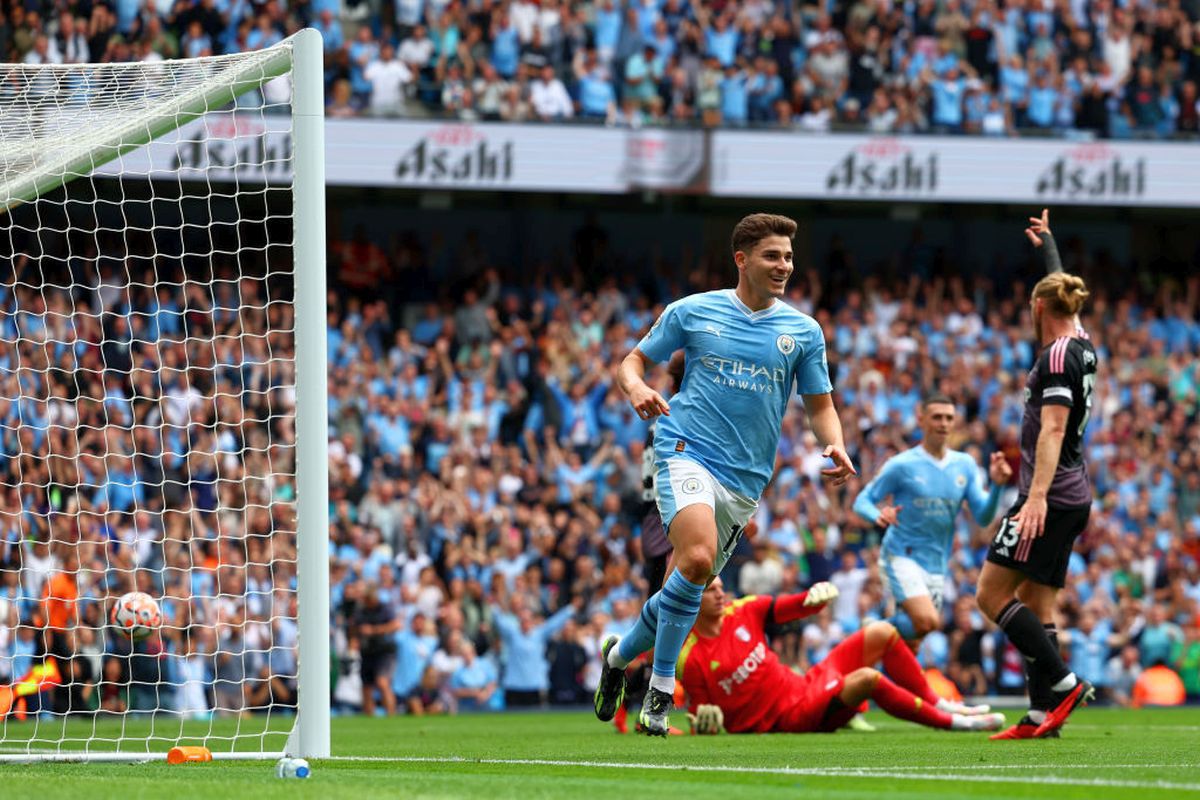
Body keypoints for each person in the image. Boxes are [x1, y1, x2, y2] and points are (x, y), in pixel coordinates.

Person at [594, 213, 856, 736]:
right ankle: (660, 692)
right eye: (772, 256)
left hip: (745, 480)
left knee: (680, 589)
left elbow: (820, 404)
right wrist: (638, 389)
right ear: (742, 259)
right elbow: (631, 362)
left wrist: (836, 442)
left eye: (788, 257)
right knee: (694, 561)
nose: (784, 265)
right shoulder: (693, 311)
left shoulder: (803, 331)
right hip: (684, 448)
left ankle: (618, 657)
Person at [976, 210, 1098, 740]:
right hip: (1075, 493)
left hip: (1050, 495)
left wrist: (1035, 499)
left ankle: (1064, 681)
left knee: (990, 593)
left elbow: (1052, 430)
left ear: (1038, 306)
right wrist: (1049, 250)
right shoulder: (1084, 343)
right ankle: (1039, 714)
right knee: (1038, 600)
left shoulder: (1054, 356)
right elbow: (1062, 291)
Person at [678, 578, 1003, 735]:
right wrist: (705, 724)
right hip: (791, 717)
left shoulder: (745, 608)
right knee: (868, 679)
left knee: (881, 632)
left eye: (721, 586)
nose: (721, 593)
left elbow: (800, 604)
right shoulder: (691, 659)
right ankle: (953, 723)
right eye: (710, 589)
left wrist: (818, 596)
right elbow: (699, 718)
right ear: (693, 597)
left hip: (806, 685)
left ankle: (941, 702)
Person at [853, 394, 1012, 648]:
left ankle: (880, 659)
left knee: (912, 641)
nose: (943, 423)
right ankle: (871, 627)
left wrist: (997, 487)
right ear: (921, 420)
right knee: (928, 621)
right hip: (901, 554)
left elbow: (983, 517)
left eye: (949, 418)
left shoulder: (965, 465)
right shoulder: (902, 464)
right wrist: (878, 515)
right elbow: (862, 501)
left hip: (937, 564)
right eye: (937, 417)